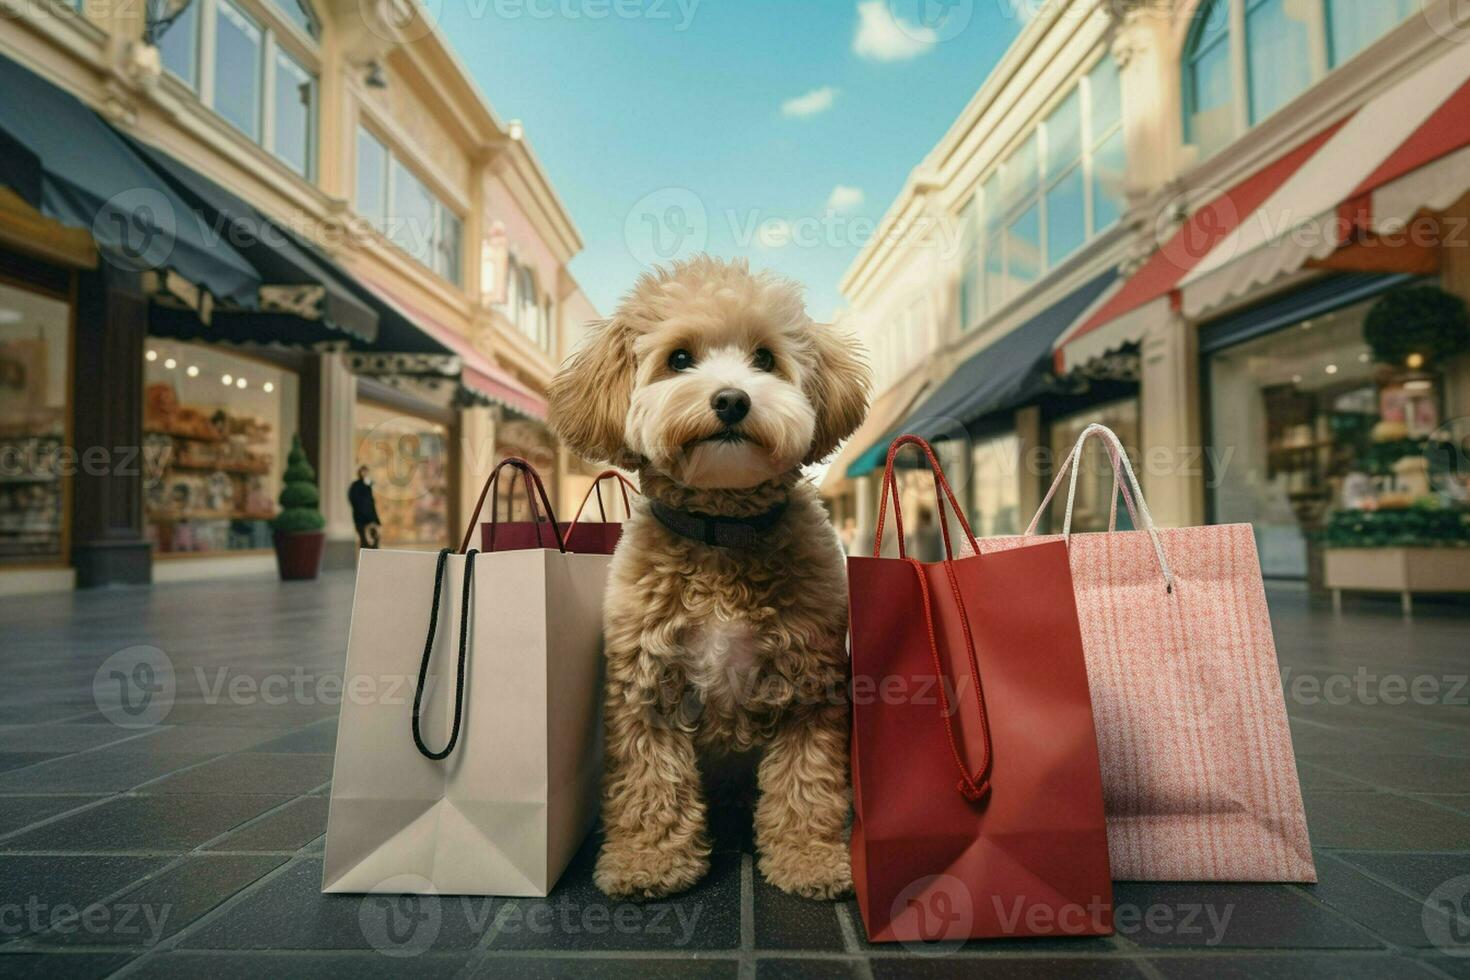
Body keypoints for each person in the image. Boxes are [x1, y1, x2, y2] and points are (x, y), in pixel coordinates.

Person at [348, 466, 381, 549]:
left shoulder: (368, 485)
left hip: (370, 515)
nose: (365, 473)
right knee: (363, 540)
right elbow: (353, 499)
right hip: (360, 516)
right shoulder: (356, 485)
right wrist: (360, 509)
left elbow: (371, 501)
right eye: (363, 471)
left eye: (366, 471)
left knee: (374, 536)